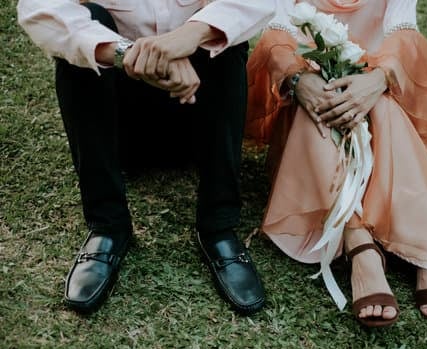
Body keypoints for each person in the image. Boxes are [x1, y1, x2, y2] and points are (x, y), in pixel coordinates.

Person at [246, 0, 427, 327]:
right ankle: (361, 246)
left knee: (382, 104)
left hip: (375, 97)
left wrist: (378, 79)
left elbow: (404, 34)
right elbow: (276, 36)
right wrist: (299, 81)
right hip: (308, 106)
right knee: (322, 109)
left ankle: (419, 238)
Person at [17, 0, 276, 315]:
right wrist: (129, 54)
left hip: (195, 113)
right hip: (120, 127)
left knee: (223, 35)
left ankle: (219, 227)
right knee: (82, 36)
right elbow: (38, 8)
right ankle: (108, 226)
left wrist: (190, 36)